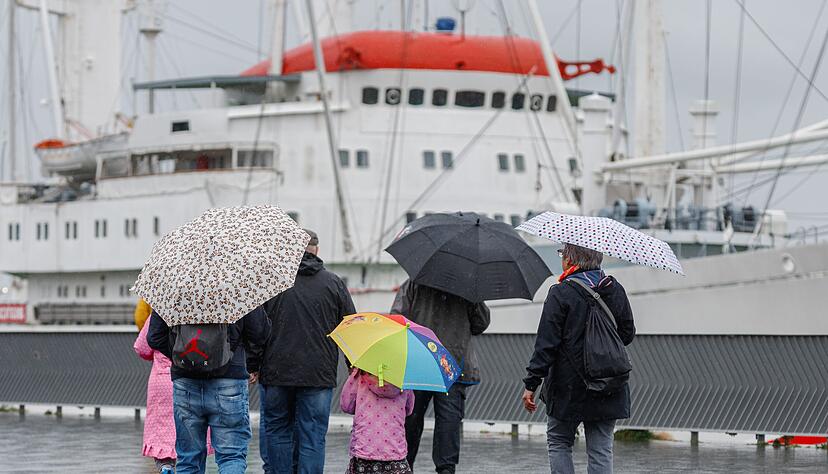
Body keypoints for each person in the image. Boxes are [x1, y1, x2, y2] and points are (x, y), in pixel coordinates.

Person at [247, 229, 356, 474]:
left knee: (277, 431)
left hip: (276, 372)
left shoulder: (273, 284)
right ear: (316, 250)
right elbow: (351, 327)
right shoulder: (334, 283)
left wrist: (253, 365)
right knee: (313, 435)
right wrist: (353, 365)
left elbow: (257, 328)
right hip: (318, 375)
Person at [521, 243, 636, 474]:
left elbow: (546, 345)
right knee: (601, 448)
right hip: (608, 384)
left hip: (568, 385)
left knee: (559, 441)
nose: (561, 258)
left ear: (571, 259)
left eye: (563, 253)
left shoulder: (561, 292)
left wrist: (531, 384)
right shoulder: (614, 289)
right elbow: (626, 334)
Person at [147, 305, 270, 474]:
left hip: (185, 381)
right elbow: (260, 333)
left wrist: (184, 358)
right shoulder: (238, 286)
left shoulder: (176, 287)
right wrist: (247, 361)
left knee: (189, 459)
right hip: (230, 379)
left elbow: (154, 337)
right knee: (231, 456)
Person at [391, 280, 490, 474]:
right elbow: (480, 324)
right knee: (448, 423)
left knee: (411, 419)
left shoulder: (415, 282)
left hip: (419, 362)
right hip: (453, 364)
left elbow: (398, 318)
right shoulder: (467, 285)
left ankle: (404, 465)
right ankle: (446, 468)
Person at [133, 299, 214, 473]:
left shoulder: (161, 309)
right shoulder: (200, 312)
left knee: (162, 428)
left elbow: (142, 347)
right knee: (191, 428)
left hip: (162, 380)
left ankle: (166, 465)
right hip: (190, 377)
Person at [340, 369, 415, 474]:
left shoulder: (360, 375)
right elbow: (409, 409)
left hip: (364, 450)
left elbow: (346, 406)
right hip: (394, 452)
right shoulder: (404, 379)